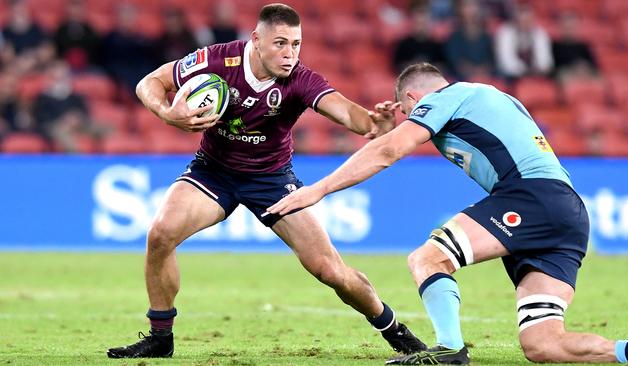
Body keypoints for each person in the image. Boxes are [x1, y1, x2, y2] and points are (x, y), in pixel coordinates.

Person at [266, 62, 628, 365]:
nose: (411, 119)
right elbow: (390, 141)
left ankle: (449, 349)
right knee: (542, 344)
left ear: (415, 97)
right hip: (566, 212)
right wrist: (383, 128)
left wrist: (318, 189)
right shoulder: (490, 97)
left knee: (428, 258)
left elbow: (390, 151)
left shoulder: (449, 96)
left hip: (531, 196)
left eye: (406, 111)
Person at [106, 3, 426, 359]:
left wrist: (373, 125)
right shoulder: (217, 60)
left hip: (271, 179)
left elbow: (349, 113)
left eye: (296, 44)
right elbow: (149, 82)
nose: (290, 54)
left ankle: (394, 328)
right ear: (256, 39)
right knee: (161, 234)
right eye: (280, 44)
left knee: (329, 270)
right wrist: (167, 112)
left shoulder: (301, 79)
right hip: (214, 172)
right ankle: (160, 337)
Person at [494, 3, 553, 79]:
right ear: (515, 20)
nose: (525, 24)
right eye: (522, 21)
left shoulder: (539, 33)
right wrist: (524, 70)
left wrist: (538, 68)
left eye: (528, 21)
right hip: (511, 75)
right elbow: (506, 61)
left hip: (536, 74)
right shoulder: (506, 33)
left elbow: (545, 59)